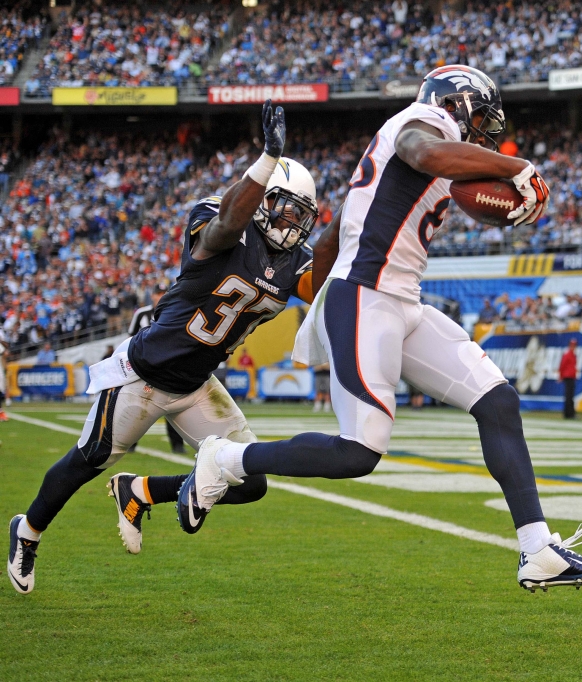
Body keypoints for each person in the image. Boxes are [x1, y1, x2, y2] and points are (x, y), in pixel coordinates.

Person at [177, 66, 582, 593]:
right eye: (480, 117)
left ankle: (538, 550)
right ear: (455, 103)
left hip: (397, 301)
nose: (484, 133)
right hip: (367, 295)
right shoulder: (420, 120)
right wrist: (517, 166)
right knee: (358, 453)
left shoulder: (400, 150)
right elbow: (425, 152)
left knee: (498, 401)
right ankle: (224, 457)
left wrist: (326, 298)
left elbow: (329, 242)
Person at [8, 100, 338, 595]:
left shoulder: (296, 260)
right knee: (88, 458)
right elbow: (226, 225)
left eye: (302, 215)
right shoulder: (219, 218)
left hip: (197, 384)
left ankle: (141, 491)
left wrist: (356, 213)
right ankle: (27, 532)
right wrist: (267, 158)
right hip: (145, 374)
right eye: (286, 208)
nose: (293, 222)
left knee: (252, 480)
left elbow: (324, 282)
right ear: (264, 195)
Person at [126, 282, 185, 454]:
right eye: (157, 293)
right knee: (139, 407)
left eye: (162, 293)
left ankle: (177, 444)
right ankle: (131, 443)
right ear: (152, 295)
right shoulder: (142, 314)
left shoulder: (175, 312)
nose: (159, 296)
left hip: (168, 366)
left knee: (172, 406)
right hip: (145, 366)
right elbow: (131, 339)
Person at [558, 338, 579, 419]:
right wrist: (561, 376)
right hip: (568, 377)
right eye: (572, 345)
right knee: (568, 396)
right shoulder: (567, 354)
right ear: (570, 345)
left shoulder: (573, 355)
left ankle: (570, 414)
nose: (573, 347)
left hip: (572, 377)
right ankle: (568, 414)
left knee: (570, 396)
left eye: (575, 345)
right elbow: (562, 365)